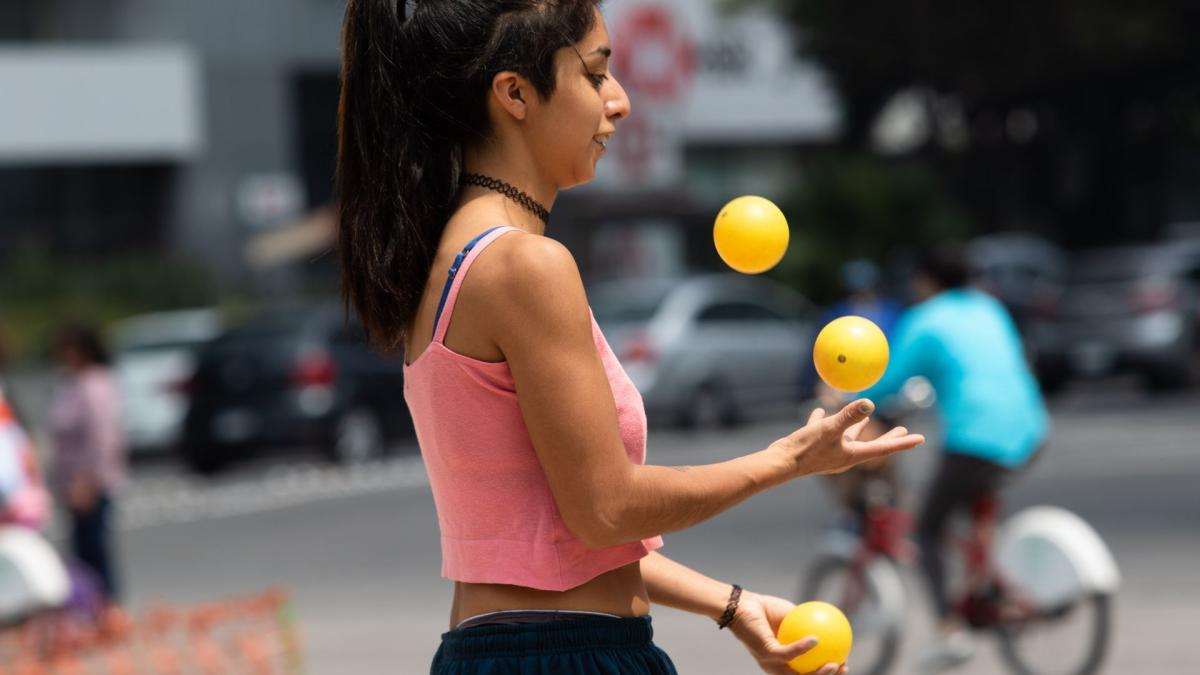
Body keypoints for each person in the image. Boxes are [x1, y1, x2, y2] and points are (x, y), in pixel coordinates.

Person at [335, 2, 924, 673]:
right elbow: (606, 509)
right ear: (515, 93)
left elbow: (555, 539)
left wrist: (731, 604)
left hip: (520, 649)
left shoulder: (455, 255)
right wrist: (788, 459)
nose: (619, 104)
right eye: (595, 75)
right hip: (563, 656)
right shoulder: (524, 265)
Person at [856, 244, 1050, 673]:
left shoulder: (926, 318)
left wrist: (848, 402)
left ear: (927, 280)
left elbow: (887, 377)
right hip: (1031, 429)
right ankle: (983, 587)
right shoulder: (988, 307)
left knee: (926, 530)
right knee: (978, 498)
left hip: (976, 436)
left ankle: (949, 628)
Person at [47, 322, 127, 607]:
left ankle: (107, 609)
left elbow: (102, 438)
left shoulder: (94, 384)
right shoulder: (73, 383)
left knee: (95, 551)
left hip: (89, 483)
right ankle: (95, 610)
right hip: (72, 483)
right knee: (83, 551)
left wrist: (88, 481)